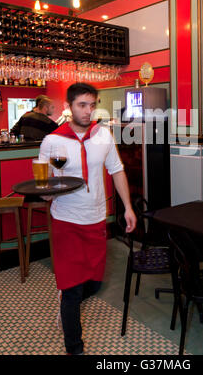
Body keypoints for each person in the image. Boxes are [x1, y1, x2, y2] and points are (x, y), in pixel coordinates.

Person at [39, 83, 137, 355]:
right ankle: (75, 348)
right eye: (82, 105)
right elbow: (45, 184)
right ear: (68, 107)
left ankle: (66, 299)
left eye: (92, 105)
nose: (88, 111)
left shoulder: (103, 135)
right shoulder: (52, 141)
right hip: (66, 221)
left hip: (95, 220)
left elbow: (117, 171)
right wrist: (47, 192)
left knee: (93, 283)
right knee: (72, 290)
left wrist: (128, 207)